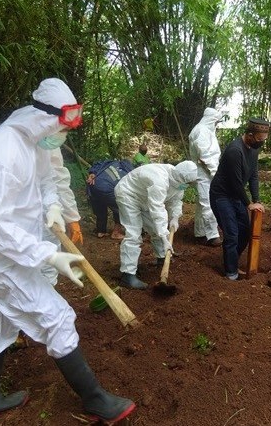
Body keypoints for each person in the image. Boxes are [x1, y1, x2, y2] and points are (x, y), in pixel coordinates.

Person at [0, 78, 135, 425]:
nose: (63, 138)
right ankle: (95, 399)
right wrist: (47, 256)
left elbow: (45, 183)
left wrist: (52, 208)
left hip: (6, 255)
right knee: (57, 317)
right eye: (62, 129)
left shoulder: (35, 143)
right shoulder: (1, 151)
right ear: (44, 118)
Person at [115, 160, 198, 289]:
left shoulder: (178, 181)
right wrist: (165, 237)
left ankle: (162, 258)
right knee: (134, 233)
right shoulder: (159, 180)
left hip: (144, 198)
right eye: (188, 183)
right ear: (182, 179)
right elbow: (157, 208)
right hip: (128, 195)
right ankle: (128, 275)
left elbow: (176, 200)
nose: (188, 186)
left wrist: (175, 217)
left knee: (156, 229)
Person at [210, 117, 270, 280]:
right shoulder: (235, 151)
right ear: (249, 134)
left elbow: (254, 175)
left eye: (264, 139)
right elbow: (236, 183)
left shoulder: (254, 149)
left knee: (245, 232)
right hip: (221, 195)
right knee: (232, 234)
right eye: (259, 139)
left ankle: (231, 260)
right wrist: (249, 204)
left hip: (235, 196)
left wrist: (256, 200)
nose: (261, 142)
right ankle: (231, 273)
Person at [189, 107, 223, 246]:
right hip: (204, 172)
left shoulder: (204, 130)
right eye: (216, 122)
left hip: (207, 171)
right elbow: (205, 156)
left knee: (201, 204)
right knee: (208, 203)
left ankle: (200, 232)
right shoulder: (201, 131)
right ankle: (212, 235)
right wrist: (215, 172)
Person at [86, 159, 134, 239]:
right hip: (108, 188)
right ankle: (116, 232)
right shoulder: (128, 174)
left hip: (92, 184)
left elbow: (98, 163)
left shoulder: (112, 162)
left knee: (100, 207)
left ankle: (100, 231)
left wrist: (92, 173)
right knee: (120, 206)